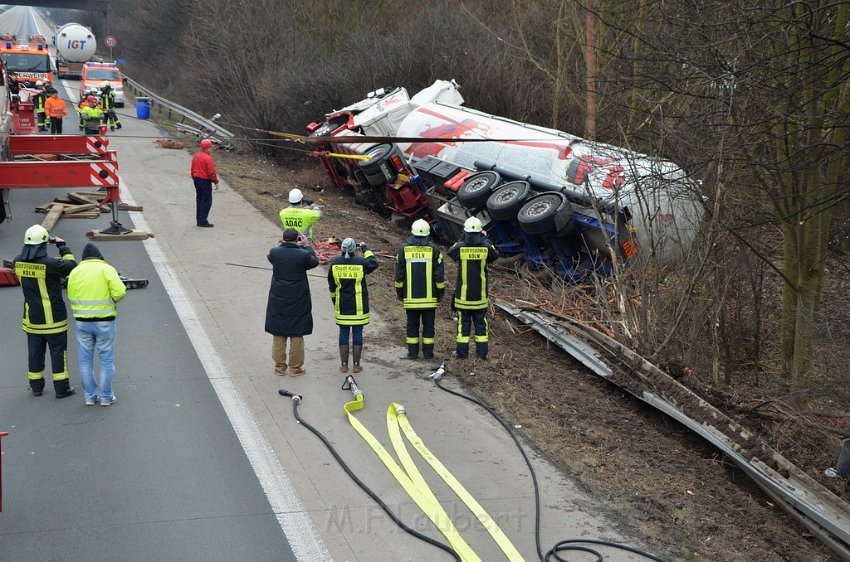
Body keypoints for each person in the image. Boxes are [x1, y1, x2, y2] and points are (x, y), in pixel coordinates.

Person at [13, 225, 77, 398]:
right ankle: (62, 389)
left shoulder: (17, 261)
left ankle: (36, 387)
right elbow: (72, 266)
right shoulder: (50, 264)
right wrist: (62, 247)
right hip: (53, 320)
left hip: (32, 319)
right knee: (58, 353)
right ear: (43, 245)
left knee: (34, 353)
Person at [67, 244, 127, 406]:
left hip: (82, 323)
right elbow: (120, 292)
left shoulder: (75, 272)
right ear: (99, 256)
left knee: (85, 361)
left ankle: (90, 397)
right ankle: (106, 397)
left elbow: (71, 294)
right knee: (106, 361)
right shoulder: (106, 269)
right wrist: (111, 301)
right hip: (104, 322)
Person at [265, 228, 319, 376]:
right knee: (296, 333)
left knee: (278, 333)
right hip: (298, 299)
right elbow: (314, 261)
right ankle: (295, 368)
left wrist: (281, 246)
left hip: (278, 299)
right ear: (297, 239)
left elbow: (271, 256)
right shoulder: (303, 255)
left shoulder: (275, 253)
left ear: (283, 239)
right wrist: (307, 246)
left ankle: (279, 367)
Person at [448, 216, 499, 360]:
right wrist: (485, 239)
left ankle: (461, 353)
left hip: (463, 297)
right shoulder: (486, 247)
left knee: (463, 326)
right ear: (479, 232)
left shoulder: (460, 247)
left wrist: (463, 239)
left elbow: (451, 251)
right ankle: (481, 354)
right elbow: (495, 255)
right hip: (480, 296)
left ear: (465, 232)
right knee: (481, 325)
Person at [394, 219, 445, 359]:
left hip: (411, 298)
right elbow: (439, 276)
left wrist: (399, 292)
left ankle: (412, 353)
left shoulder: (403, 250)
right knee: (429, 327)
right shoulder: (434, 250)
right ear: (428, 233)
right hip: (429, 299)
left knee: (412, 326)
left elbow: (399, 275)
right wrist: (440, 293)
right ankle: (428, 354)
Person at [328, 238, 379, 373]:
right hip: (359, 306)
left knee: (343, 332)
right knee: (357, 332)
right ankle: (356, 365)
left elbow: (332, 286)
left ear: (342, 249)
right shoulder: (361, 262)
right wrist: (365, 248)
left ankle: (344, 365)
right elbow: (374, 263)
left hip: (342, 305)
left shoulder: (335, 263)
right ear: (353, 249)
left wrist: (335, 302)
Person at [190, 138, 219, 227]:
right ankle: (203, 221)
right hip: (205, 181)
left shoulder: (196, 156)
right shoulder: (208, 158)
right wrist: (216, 182)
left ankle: (199, 220)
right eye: (211, 147)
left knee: (199, 200)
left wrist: (194, 177)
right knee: (206, 201)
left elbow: (192, 168)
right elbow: (211, 173)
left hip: (196, 180)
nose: (211, 149)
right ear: (207, 148)